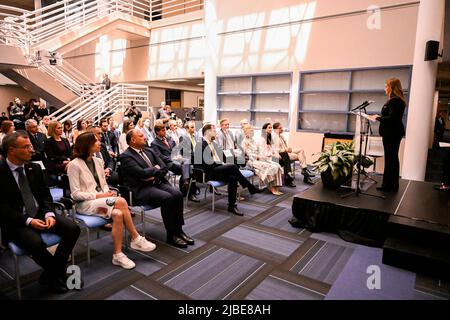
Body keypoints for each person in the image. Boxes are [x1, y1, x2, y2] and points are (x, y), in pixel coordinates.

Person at [0, 131, 80, 293]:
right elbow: (2, 208)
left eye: (30, 145)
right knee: (36, 243)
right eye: (26, 147)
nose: (32, 150)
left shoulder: (34, 167)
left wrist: (49, 213)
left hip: (40, 213)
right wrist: (28, 221)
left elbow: (45, 196)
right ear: (11, 150)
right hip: (16, 221)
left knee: (73, 229)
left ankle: (51, 274)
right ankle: (59, 275)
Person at [67, 132, 155, 270]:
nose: (99, 143)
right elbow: (75, 195)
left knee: (118, 215)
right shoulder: (74, 165)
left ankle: (118, 255)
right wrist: (100, 197)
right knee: (120, 201)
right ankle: (135, 237)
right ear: (87, 145)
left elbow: (103, 185)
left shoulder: (98, 161)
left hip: (101, 202)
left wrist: (107, 193)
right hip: (84, 205)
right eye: (96, 141)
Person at [119, 129, 194, 248]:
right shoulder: (125, 156)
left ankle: (179, 230)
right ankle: (171, 235)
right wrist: (154, 170)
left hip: (156, 182)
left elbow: (164, 167)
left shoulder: (149, 150)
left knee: (178, 194)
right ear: (133, 140)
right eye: (141, 135)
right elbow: (141, 174)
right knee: (168, 198)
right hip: (141, 189)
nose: (145, 137)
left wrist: (152, 175)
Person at [194, 124, 265, 216]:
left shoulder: (214, 144)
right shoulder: (200, 145)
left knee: (233, 178)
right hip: (208, 172)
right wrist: (224, 164)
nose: (216, 133)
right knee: (232, 167)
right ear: (208, 132)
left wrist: (230, 160)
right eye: (214, 131)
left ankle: (231, 206)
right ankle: (250, 187)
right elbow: (207, 163)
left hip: (218, 170)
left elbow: (224, 157)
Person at [369, 78, 406, 192]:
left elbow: (392, 118)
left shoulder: (395, 101)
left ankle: (389, 185)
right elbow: (391, 116)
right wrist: (378, 116)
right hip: (392, 133)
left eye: (386, 86)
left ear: (392, 87)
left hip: (392, 134)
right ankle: (390, 185)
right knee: (391, 159)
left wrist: (377, 118)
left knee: (391, 159)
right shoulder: (396, 100)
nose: (385, 88)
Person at [241, 124, 284, 195]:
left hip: (260, 158)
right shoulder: (244, 142)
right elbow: (248, 154)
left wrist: (263, 156)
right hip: (252, 161)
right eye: (251, 130)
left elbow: (260, 150)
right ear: (246, 132)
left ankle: (276, 186)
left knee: (277, 165)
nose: (253, 132)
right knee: (271, 167)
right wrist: (258, 156)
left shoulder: (253, 140)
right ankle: (271, 187)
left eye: (253, 130)